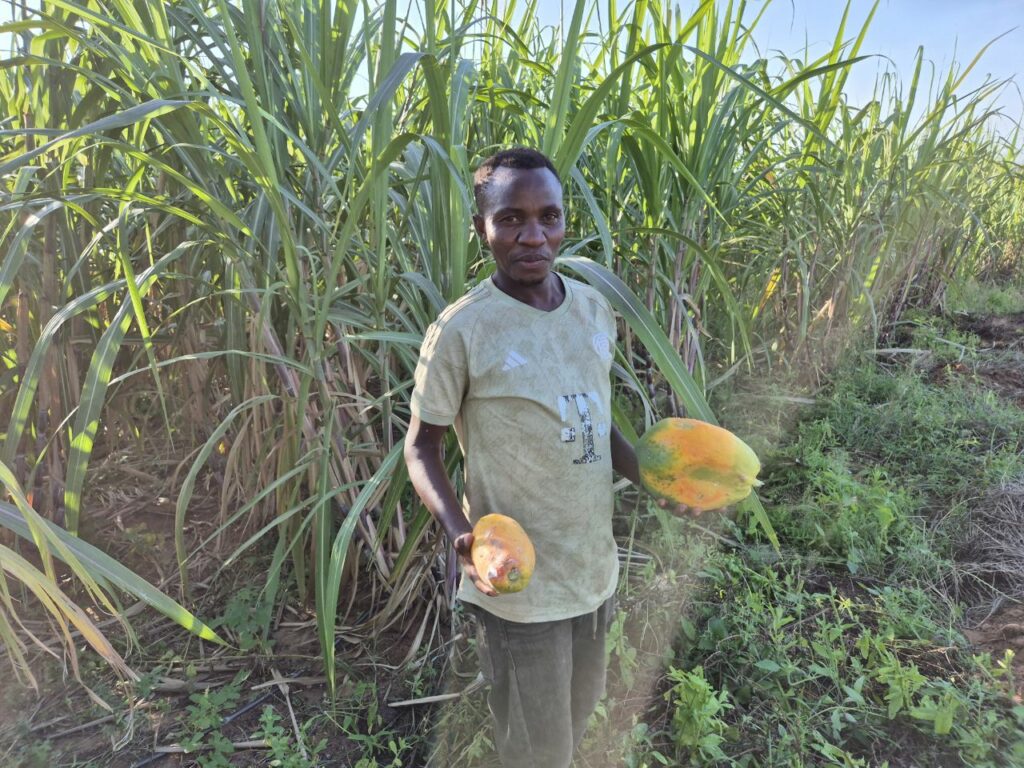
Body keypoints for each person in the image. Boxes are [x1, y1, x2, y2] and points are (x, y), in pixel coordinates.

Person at [404, 147, 696, 768]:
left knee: (575, 716)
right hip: (518, 587)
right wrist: (462, 534)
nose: (533, 236)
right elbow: (420, 447)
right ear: (482, 227)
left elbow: (592, 416)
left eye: (549, 216)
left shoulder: (592, 309)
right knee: (541, 751)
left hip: (592, 568)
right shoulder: (463, 330)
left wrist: (648, 476)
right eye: (510, 219)